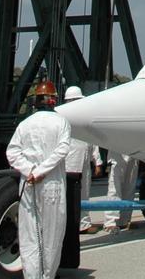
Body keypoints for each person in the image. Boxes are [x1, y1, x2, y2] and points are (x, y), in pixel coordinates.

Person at [6, 79, 71, 279]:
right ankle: (47, 276)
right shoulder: (61, 122)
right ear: (53, 101)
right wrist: (42, 170)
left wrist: (30, 171)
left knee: (29, 237)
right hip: (51, 184)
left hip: (28, 184)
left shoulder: (25, 124)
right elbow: (62, 149)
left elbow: (12, 152)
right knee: (52, 236)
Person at [63, 85, 101, 234]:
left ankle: (84, 224)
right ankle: (69, 224)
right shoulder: (63, 119)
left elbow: (92, 140)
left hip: (84, 161)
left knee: (85, 193)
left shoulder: (85, 117)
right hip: (69, 163)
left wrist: (97, 161)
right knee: (69, 194)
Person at [102, 150, 138, 233]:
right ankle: (110, 222)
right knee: (114, 187)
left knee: (130, 187)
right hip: (117, 152)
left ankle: (124, 221)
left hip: (134, 152)